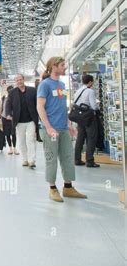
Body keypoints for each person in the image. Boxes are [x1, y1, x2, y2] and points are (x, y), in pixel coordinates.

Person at [37, 56, 87, 202]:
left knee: (67, 157)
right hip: (50, 130)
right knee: (51, 159)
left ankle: (68, 187)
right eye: (63, 65)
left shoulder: (62, 85)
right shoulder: (45, 85)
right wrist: (48, 127)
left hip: (63, 128)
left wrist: (69, 124)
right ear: (54, 66)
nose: (65, 67)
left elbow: (62, 107)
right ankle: (52, 189)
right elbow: (40, 107)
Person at [5, 74, 38, 168]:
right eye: (17, 80)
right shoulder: (12, 92)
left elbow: (37, 104)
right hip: (18, 121)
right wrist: (8, 114)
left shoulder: (32, 90)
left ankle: (32, 160)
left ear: (24, 79)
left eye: (20, 79)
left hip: (31, 120)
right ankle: (25, 160)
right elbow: (8, 105)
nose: (19, 81)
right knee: (21, 141)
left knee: (31, 140)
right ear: (15, 82)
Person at [73, 74, 100, 168]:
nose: (93, 83)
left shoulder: (78, 91)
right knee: (91, 138)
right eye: (92, 81)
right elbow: (93, 106)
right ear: (90, 82)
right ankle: (90, 161)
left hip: (80, 118)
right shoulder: (90, 91)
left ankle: (77, 159)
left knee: (80, 139)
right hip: (89, 118)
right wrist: (97, 106)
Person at [0, 85, 18, 155]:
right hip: (4, 118)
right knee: (7, 134)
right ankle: (10, 148)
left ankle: (15, 148)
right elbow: (0, 109)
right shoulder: (3, 98)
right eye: (10, 91)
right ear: (8, 91)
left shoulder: (16, 98)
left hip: (12, 118)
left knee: (13, 133)